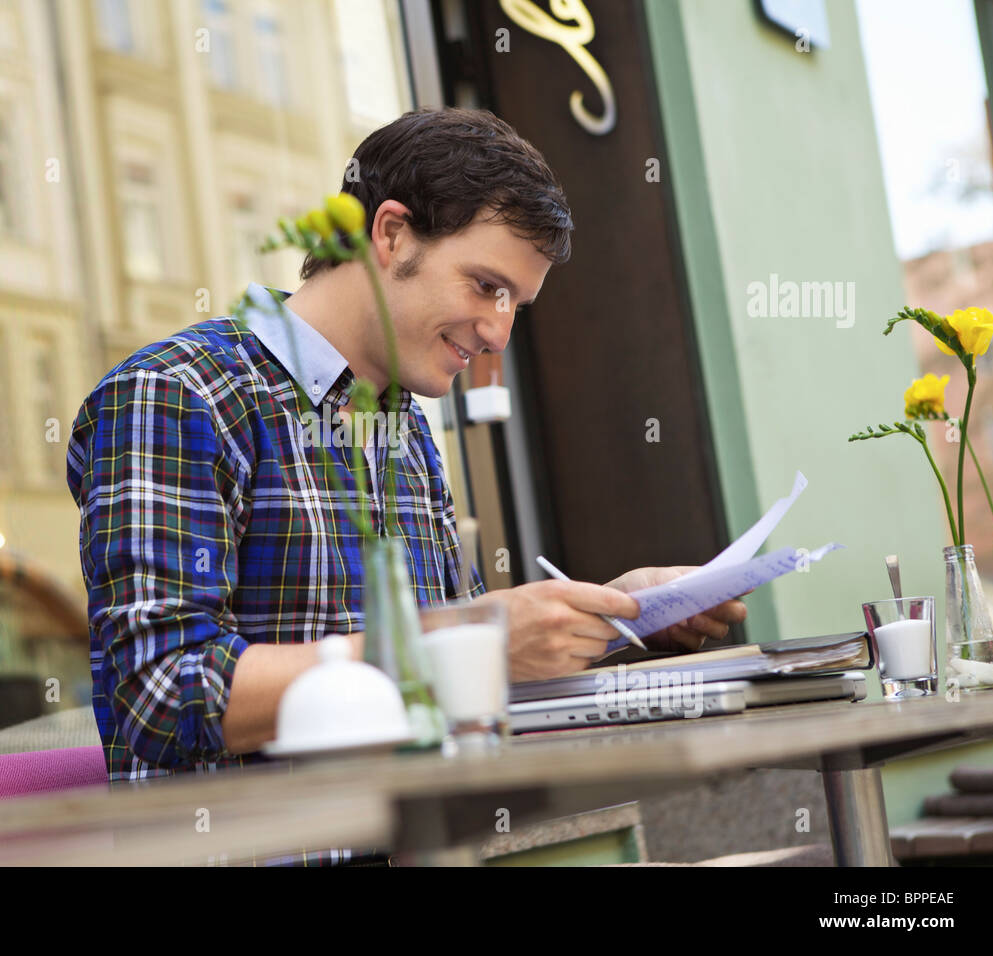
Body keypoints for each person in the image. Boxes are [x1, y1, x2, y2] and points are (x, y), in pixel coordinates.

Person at [66, 107, 747, 865]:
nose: (497, 334)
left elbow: (427, 677)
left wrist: (616, 615)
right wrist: (470, 638)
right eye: (485, 284)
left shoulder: (399, 425)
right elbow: (162, 695)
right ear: (390, 234)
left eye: (514, 305)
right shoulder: (175, 394)